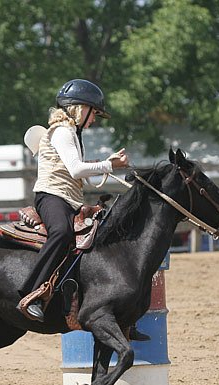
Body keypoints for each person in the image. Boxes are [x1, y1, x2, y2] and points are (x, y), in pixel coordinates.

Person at [17, 79, 129, 321]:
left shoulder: (71, 134)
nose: (94, 120)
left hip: (68, 199)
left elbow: (75, 171)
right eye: (94, 113)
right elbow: (77, 170)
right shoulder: (63, 133)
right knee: (62, 232)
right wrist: (110, 165)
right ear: (80, 108)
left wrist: (106, 164)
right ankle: (31, 292)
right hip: (51, 197)